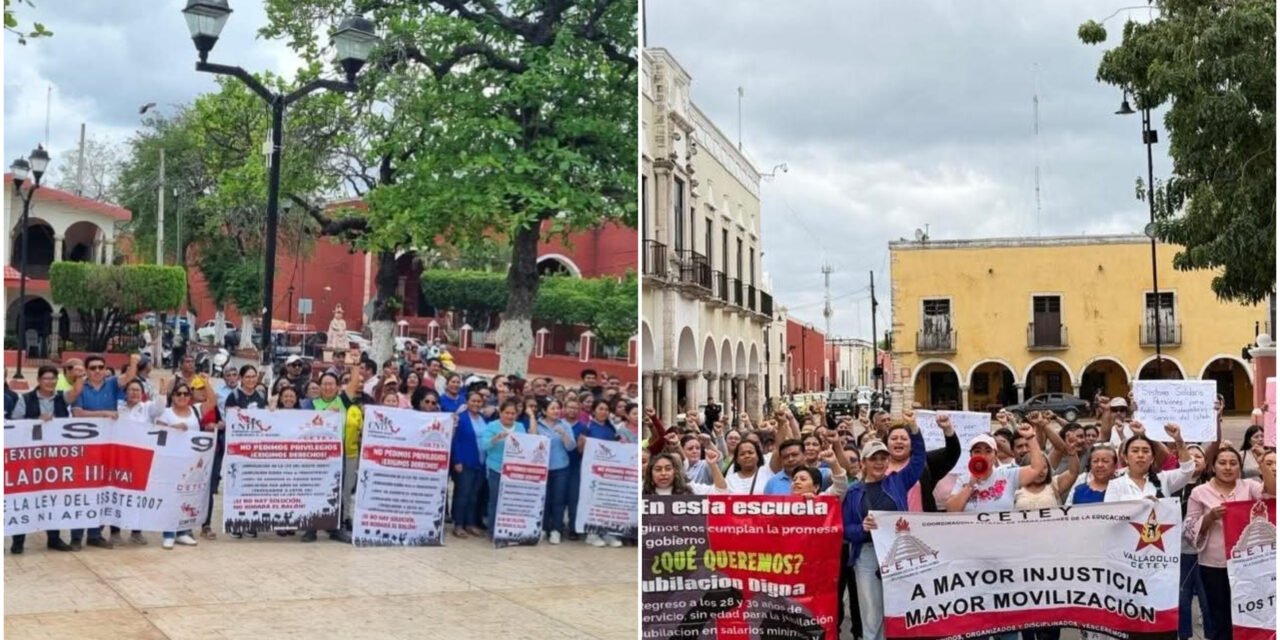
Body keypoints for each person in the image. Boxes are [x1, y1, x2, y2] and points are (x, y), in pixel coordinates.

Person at [843, 409, 928, 640]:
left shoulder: (898, 481)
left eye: (883, 458)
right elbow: (845, 529)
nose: (879, 463)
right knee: (871, 614)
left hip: (897, 552)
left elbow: (919, 458)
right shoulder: (854, 492)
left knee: (898, 608)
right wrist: (861, 528)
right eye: (873, 459)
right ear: (863, 462)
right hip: (867, 555)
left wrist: (914, 430)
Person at [1185, 446, 1265, 640]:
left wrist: (1262, 463)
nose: (1228, 467)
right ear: (1213, 467)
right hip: (1213, 565)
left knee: (1248, 614)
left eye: (1233, 463)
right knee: (1218, 615)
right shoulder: (1199, 492)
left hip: (1247, 564)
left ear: (1240, 467)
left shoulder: (1250, 487)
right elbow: (1188, 529)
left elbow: (1272, 495)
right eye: (1222, 463)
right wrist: (1209, 517)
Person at [68, 353, 140, 550]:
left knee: (101, 490)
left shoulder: (111, 383)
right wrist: (105, 414)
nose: (97, 371)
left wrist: (133, 362)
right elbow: (77, 413)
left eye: (101, 367)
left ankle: (95, 534)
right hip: (85, 448)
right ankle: (76, 536)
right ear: (87, 370)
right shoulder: (80, 387)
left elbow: (128, 377)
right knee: (82, 492)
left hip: (107, 447)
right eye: (93, 368)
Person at [9, 365, 80, 554]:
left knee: (53, 497)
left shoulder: (62, 398)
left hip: (55, 458)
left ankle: (54, 539)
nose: (50, 382)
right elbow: (15, 424)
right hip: (30, 457)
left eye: (53, 378)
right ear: (39, 380)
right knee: (25, 496)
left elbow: (76, 392)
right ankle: (18, 540)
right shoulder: (25, 399)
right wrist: (36, 420)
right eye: (46, 378)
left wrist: (79, 375)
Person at [478, 399, 537, 540]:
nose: (510, 416)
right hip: (496, 468)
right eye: (507, 413)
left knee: (511, 501)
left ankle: (509, 529)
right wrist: (496, 438)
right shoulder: (492, 426)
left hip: (514, 470)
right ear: (501, 413)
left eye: (513, 413)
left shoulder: (520, 426)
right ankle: (492, 531)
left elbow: (528, 443)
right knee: (495, 500)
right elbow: (484, 445)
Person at [1176, 445, 1215, 640]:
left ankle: (1212, 635)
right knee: (1182, 599)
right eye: (1189, 456)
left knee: (1208, 600)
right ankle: (1183, 635)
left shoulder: (1212, 486)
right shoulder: (1172, 485)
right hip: (1180, 554)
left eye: (1198, 456)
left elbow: (1214, 447)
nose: (1194, 459)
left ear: (1206, 462)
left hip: (1207, 552)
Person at [156, 382, 201, 549]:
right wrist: (174, 428)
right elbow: (158, 433)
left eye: (185, 394)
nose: (182, 397)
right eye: (178, 393)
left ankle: (183, 531)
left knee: (186, 496)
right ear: (173, 396)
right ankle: (168, 533)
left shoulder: (194, 411)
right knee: (170, 497)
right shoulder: (166, 412)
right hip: (170, 461)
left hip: (190, 461)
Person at [1103, 422, 1194, 502]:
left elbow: (1187, 471)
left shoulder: (1164, 479)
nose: (1140, 455)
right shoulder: (1116, 485)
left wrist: (1179, 440)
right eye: (1135, 451)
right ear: (1126, 457)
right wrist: (1143, 505)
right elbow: (1112, 514)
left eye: (1145, 451)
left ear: (1152, 458)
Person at [887, 413, 959, 512]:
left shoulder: (924, 462)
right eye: (894, 438)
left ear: (912, 444)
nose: (899, 441)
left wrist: (947, 429)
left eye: (904, 439)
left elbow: (952, 453)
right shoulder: (877, 466)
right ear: (887, 444)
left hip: (921, 521)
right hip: (887, 521)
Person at [451, 390, 488, 538]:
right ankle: (458, 524)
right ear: (467, 402)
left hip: (481, 462)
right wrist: (457, 460)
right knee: (463, 494)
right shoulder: (460, 419)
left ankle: (470, 523)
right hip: (465, 461)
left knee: (474, 495)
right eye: (473, 401)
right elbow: (455, 441)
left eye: (479, 401)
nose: (476, 404)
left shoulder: (483, 419)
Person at [539, 399, 577, 544]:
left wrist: (563, 435)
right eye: (552, 408)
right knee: (543, 500)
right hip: (542, 468)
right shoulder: (538, 424)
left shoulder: (564, 425)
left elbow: (571, 447)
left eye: (557, 408)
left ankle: (556, 530)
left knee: (558, 500)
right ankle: (543, 528)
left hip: (560, 468)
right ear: (544, 411)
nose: (556, 411)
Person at [645, 449, 728, 495]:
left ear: (675, 471)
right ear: (650, 473)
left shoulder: (690, 488)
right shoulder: (641, 491)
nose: (663, 473)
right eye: (658, 469)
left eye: (668, 469)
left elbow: (721, 492)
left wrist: (713, 465)